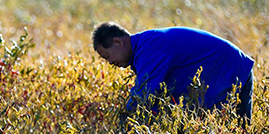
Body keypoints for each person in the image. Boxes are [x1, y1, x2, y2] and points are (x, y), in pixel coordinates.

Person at [92, 22, 254, 123]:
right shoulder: (144, 48)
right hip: (231, 71)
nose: (110, 63)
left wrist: (123, 120)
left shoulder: (149, 48)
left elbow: (143, 94)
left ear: (118, 42)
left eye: (107, 56)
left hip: (232, 71)